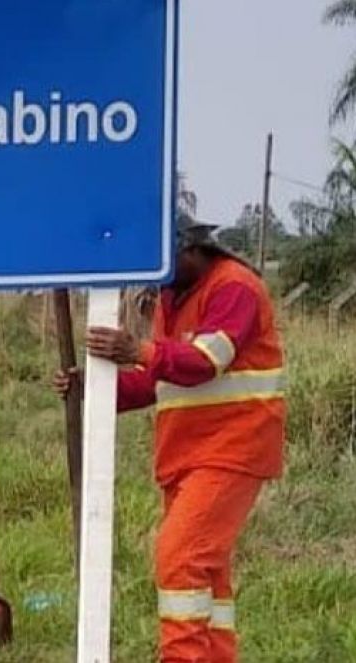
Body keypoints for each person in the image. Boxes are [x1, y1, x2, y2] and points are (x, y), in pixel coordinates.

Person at [54, 218, 286, 663]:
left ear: (193, 251)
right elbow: (157, 378)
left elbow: (205, 361)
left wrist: (137, 350)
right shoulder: (171, 298)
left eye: (164, 260)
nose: (156, 272)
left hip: (232, 448)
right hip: (186, 456)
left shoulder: (235, 287)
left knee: (179, 558)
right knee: (207, 579)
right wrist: (97, 390)